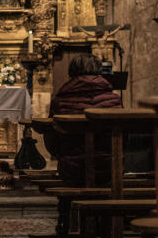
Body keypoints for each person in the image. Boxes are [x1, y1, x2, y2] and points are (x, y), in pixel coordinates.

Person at [45, 53, 122, 186]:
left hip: (71, 168)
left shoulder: (60, 100)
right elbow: (123, 136)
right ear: (99, 70)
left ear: (72, 71)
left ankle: (65, 206)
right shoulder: (114, 100)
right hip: (108, 166)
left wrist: (62, 156)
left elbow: (51, 137)